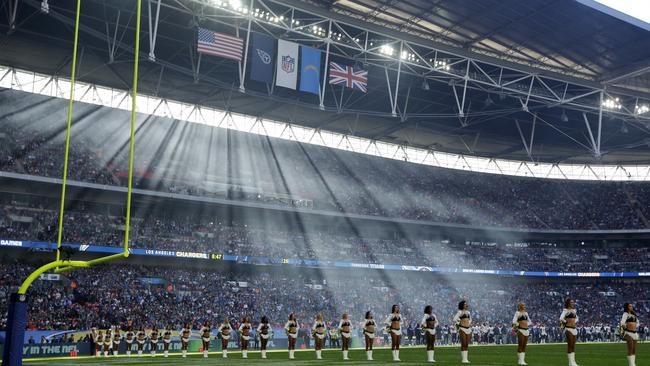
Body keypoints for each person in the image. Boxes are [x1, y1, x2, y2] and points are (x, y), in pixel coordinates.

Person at [560, 298, 579, 366]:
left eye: (573, 302)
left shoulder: (574, 310)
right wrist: (566, 322)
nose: (572, 303)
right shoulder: (565, 310)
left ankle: (573, 362)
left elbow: (577, 318)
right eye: (571, 302)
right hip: (568, 329)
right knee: (570, 345)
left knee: (573, 346)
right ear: (568, 303)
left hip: (574, 328)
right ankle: (570, 362)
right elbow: (561, 318)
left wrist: (574, 321)